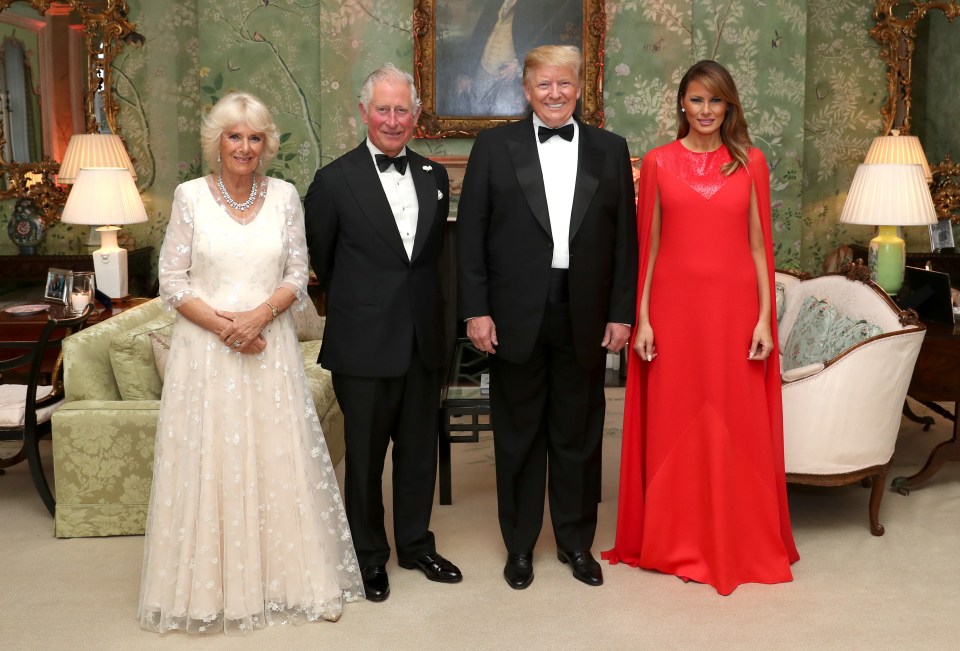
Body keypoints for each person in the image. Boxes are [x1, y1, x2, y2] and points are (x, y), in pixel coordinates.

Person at [138, 92, 363, 635]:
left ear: (266, 145)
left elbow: (297, 274)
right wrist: (227, 328)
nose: (244, 146)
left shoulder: (286, 196)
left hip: (270, 350)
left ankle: (297, 583)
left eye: (254, 137)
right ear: (217, 141)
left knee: (277, 459)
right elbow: (171, 283)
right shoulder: (190, 196)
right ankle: (208, 592)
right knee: (211, 462)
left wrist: (257, 318)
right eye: (234, 136)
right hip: (205, 353)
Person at [602, 60, 800, 595]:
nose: (706, 111)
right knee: (676, 419)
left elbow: (760, 246)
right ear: (682, 105)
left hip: (736, 311)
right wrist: (642, 318)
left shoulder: (750, 162)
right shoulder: (660, 163)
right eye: (696, 100)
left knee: (737, 418)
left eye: (716, 101)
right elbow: (651, 247)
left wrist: (764, 317)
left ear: (729, 106)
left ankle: (738, 535)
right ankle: (677, 540)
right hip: (674, 311)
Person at [457, 45, 637, 589]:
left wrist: (621, 313)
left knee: (579, 435)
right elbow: (470, 237)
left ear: (579, 87)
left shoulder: (611, 149)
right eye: (543, 85)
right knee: (517, 434)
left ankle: (577, 543)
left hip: (585, 312)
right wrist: (476, 311)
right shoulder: (493, 147)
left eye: (564, 84)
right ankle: (519, 546)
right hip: (512, 315)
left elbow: (625, 243)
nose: (554, 93)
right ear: (526, 89)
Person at [304, 63, 461, 603]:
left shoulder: (434, 178)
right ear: (363, 112)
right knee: (366, 460)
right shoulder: (333, 180)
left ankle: (416, 545)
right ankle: (369, 556)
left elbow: (432, 260)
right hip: (363, 343)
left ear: (415, 115)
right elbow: (322, 259)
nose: (393, 120)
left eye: (402, 110)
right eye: (383, 109)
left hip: (423, 340)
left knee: (419, 454)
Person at [443, 0, 581, 116]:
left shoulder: (537, 4)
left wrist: (519, 64)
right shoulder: (495, 2)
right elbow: (480, 32)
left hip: (510, 75)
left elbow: (545, 37)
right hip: (482, 69)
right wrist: (466, 73)